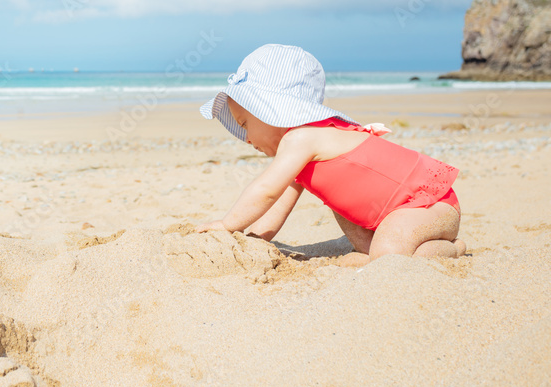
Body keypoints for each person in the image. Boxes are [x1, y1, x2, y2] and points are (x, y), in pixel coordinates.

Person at [196, 44, 465, 267]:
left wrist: (227, 224)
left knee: (387, 255)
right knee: (376, 249)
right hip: (389, 218)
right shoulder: (301, 152)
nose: (246, 138)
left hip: (428, 204)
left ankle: (453, 250)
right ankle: (394, 252)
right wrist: (252, 240)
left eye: (244, 124)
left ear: (273, 109)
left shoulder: (303, 138)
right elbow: (275, 206)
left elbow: (265, 191)